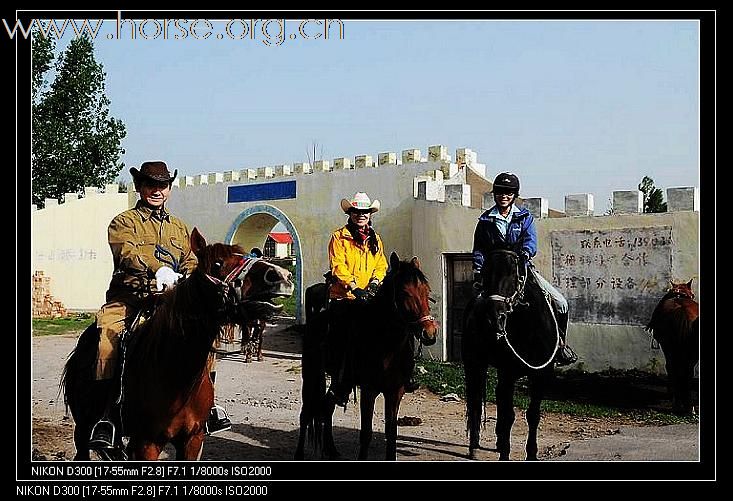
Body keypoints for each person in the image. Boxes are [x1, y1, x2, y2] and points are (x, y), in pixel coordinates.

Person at [88, 161, 231, 451]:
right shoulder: (123, 222)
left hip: (172, 302)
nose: (157, 190)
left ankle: (207, 408)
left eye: (162, 185)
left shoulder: (180, 227)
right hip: (131, 299)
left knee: (205, 338)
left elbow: (193, 261)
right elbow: (127, 253)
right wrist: (159, 270)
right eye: (150, 184)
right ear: (139, 187)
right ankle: (108, 415)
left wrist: (187, 277)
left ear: (169, 190)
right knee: (107, 339)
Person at [472, 172, 578, 366]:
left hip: (522, 269)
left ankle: (560, 346)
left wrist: (526, 253)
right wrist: (478, 270)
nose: (504, 196)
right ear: (495, 194)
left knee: (561, 303)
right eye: (500, 192)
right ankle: (474, 350)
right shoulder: (485, 221)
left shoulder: (524, 217)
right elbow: (479, 249)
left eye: (509, 192)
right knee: (476, 307)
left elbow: (531, 241)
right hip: (494, 274)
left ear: (514, 195)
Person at [324, 192, 391, 407]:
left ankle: (398, 374)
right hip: (345, 297)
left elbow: (381, 264)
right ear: (350, 214)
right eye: (356, 212)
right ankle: (340, 384)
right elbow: (338, 266)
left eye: (365, 212)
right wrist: (354, 287)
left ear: (370, 215)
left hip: (370, 297)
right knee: (345, 338)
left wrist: (374, 283)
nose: (361, 215)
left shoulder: (375, 239)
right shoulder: (339, 237)